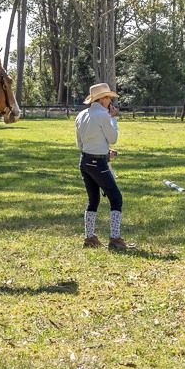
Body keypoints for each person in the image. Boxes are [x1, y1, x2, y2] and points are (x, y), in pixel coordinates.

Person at [75, 83, 132, 251]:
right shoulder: (103, 115)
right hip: (98, 163)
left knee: (93, 200)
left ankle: (90, 237)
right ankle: (115, 238)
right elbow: (113, 137)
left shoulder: (81, 115)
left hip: (85, 161)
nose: (111, 101)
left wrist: (105, 152)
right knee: (116, 198)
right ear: (102, 99)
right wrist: (114, 118)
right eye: (109, 98)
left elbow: (81, 143)